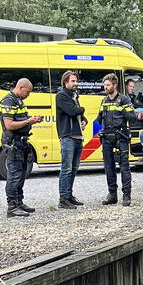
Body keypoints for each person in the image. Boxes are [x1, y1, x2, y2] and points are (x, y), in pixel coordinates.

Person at [0, 78, 42, 217]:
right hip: (13, 143)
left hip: (22, 142)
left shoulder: (19, 101)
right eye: (27, 92)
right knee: (14, 175)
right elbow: (9, 125)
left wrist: (32, 120)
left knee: (22, 174)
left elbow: (22, 120)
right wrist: (29, 120)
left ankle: (19, 202)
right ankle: (12, 207)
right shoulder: (8, 101)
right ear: (21, 87)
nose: (28, 95)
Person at [97, 73, 135, 206]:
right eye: (104, 85)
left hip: (121, 137)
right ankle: (112, 194)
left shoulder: (124, 100)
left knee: (124, 167)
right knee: (109, 167)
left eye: (108, 85)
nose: (105, 87)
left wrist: (122, 111)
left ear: (114, 85)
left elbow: (133, 118)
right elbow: (99, 119)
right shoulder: (104, 101)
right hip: (107, 138)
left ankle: (126, 195)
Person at [55, 70, 86, 210]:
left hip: (77, 136)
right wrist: (82, 109)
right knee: (66, 168)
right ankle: (63, 198)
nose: (75, 83)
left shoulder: (74, 96)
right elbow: (72, 111)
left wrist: (84, 120)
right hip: (67, 136)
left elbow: (79, 114)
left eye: (76, 81)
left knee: (74, 168)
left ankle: (69, 196)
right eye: (73, 81)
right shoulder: (61, 96)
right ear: (65, 82)